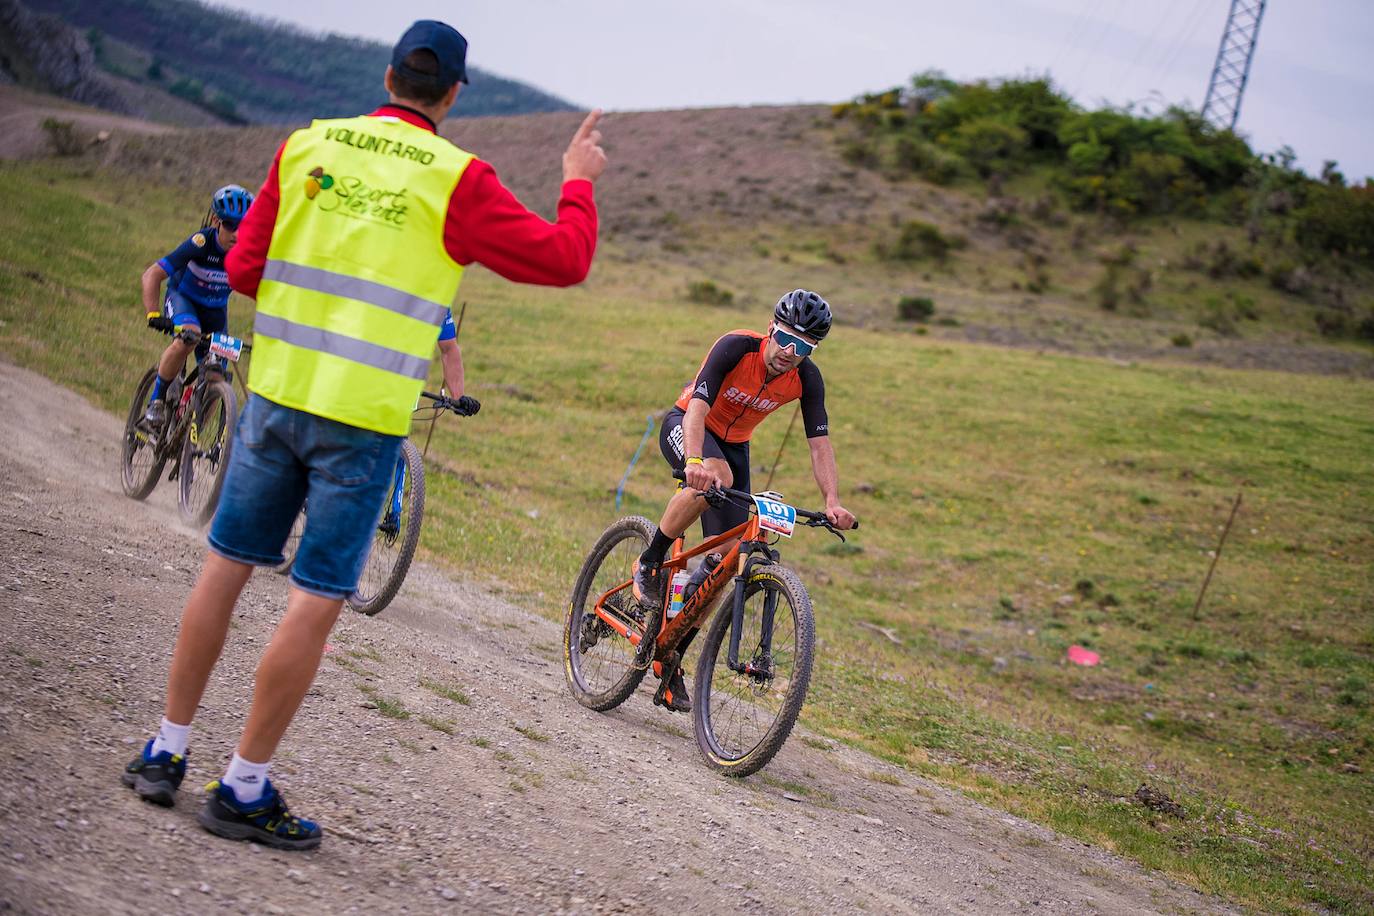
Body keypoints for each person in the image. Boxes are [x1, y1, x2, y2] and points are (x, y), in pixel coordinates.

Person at [121, 19, 606, 850]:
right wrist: (577, 179)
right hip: (364, 425)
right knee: (313, 596)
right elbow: (566, 259)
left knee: (227, 566)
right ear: (453, 94)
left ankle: (165, 749)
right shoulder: (459, 179)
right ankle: (242, 787)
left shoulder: (306, 147)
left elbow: (241, 271)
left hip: (275, 398)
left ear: (388, 77)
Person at [632, 290, 857, 712]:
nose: (790, 353)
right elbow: (698, 406)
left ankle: (671, 656)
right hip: (689, 425)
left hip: (735, 445)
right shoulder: (736, 346)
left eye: (804, 347)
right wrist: (695, 460)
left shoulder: (807, 379)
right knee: (715, 479)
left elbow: (819, 443)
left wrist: (832, 501)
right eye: (786, 339)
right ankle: (649, 560)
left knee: (725, 561)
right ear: (772, 328)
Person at [138, 184, 255, 428]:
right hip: (184, 300)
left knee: (217, 375)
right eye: (230, 225)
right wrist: (153, 314)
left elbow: (263, 293)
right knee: (187, 340)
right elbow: (152, 274)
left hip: (215, 313)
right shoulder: (200, 243)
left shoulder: (246, 254)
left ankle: (189, 437)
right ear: (216, 221)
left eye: (243, 227)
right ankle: (157, 400)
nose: (236, 233)